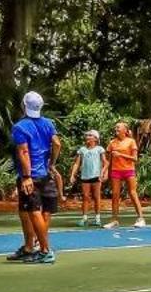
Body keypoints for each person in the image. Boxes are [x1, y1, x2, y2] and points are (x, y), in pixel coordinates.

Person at [9, 91, 61, 263]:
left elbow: (23, 151)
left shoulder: (20, 127)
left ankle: (45, 250)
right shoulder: (48, 123)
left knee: (33, 211)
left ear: (24, 106)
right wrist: (52, 163)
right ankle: (29, 247)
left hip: (30, 176)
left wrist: (26, 176)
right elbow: (57, 143)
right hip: (45, 174)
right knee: (27, 211)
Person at [107, 121, 147, 227]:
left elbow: (135, 159)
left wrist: (120, 154)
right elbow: (108, 161)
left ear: (125, 130)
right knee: (115, 195)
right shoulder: (112, 143)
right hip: (116, 171)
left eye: (118, 127)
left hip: (129, 170)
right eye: (115, 127)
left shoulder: (131, 141)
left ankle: (141, 218)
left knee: (132, 193)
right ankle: (114, 220)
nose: (116, 129)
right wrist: (105, 171)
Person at [69, 129, 107, 227]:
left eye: (90, 135)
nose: (87, 137)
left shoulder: (99, 149)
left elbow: (105, 162)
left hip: (96, 176)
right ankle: (85, 218)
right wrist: (73, 174)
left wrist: (103, 173)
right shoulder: (82, 150)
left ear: (95, 138)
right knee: (85, 197)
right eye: (87, 135)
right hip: (85, 177)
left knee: (96, 197)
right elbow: (77, 163)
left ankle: (97, 218)